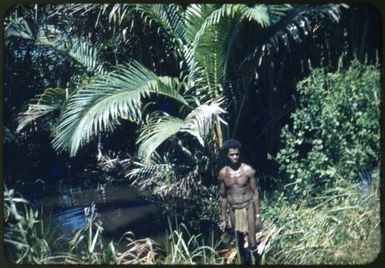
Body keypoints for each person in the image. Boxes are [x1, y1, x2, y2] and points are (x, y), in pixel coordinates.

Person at [217, 139, 261, 264]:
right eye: (232, 154)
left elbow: (255, 193)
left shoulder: (248, 170)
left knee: (252, 239)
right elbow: (223, 196)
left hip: (248, 207)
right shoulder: (223, 174)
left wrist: (258, 215)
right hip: (233, 209)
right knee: (238, 239)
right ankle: (243, 261)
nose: (235, 157)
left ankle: (255, 261)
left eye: (237, 154)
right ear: (227, 155)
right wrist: (224, 218)